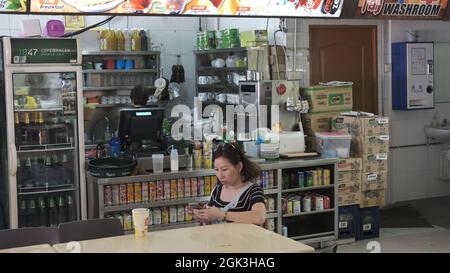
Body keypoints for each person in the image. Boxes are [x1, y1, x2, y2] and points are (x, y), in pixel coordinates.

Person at [190, 143, 266, 225]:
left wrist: (222, 214)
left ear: (239, 167)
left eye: (224, 169)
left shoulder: (253, 191)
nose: (220, 175)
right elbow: (212, 224)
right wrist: (203, 216)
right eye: (216, 169)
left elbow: (259, 217)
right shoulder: (217, 190)